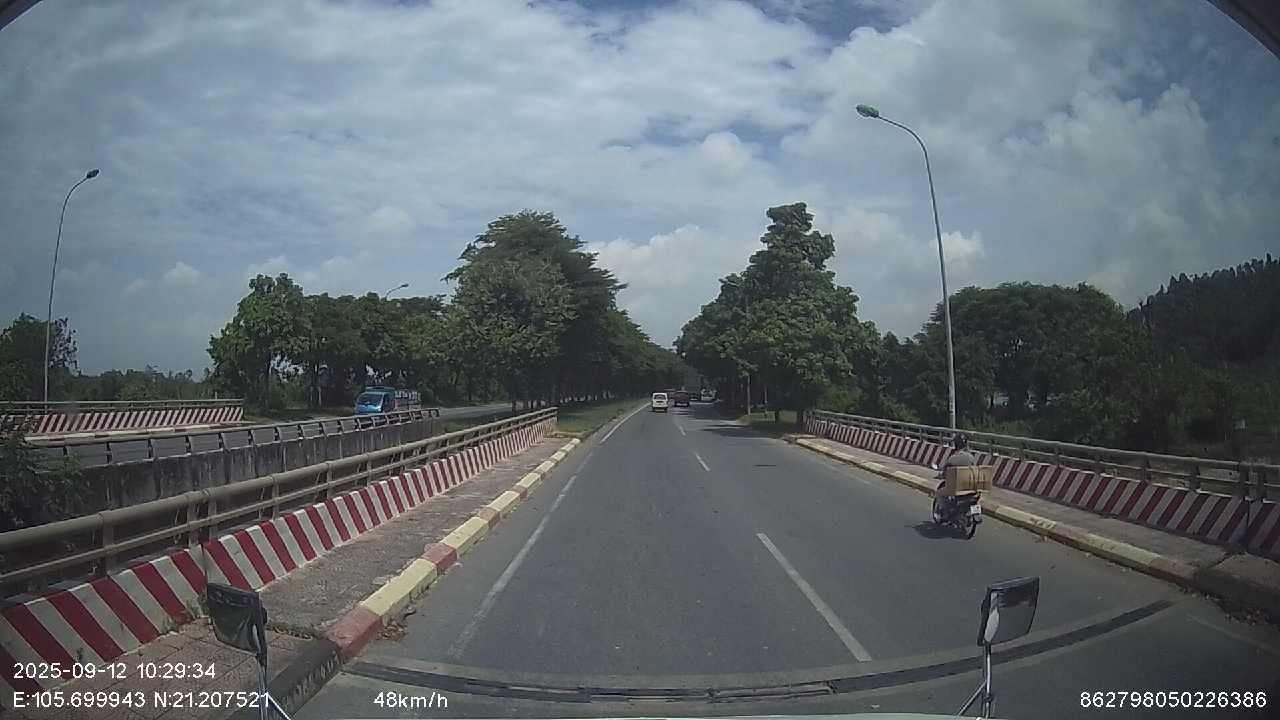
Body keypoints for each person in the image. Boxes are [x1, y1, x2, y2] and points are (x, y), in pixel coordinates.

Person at [934, 433, 978, 522]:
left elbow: (945, 473)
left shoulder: (952, 459)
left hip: (956, 489)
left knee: (939, 493)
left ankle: (945, 511)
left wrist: (940, 475)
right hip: (971, 488)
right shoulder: (971, 458)